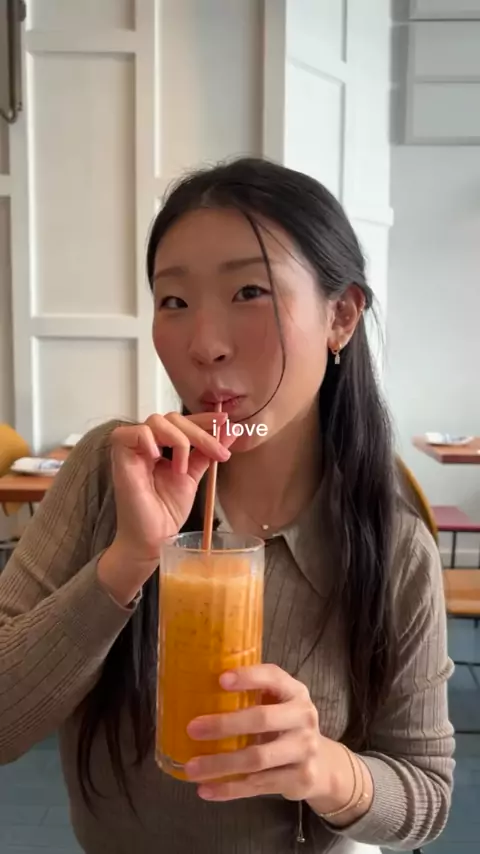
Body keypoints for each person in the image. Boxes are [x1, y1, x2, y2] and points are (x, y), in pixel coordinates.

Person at [0, 157, 454, 854]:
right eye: (174, 302)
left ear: (340, 316)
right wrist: (128, 560)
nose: (204, 346)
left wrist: (327, 770)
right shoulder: (105, 473)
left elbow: (427, 796)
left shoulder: (391, 547)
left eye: (250, 291)